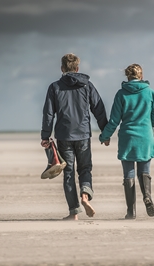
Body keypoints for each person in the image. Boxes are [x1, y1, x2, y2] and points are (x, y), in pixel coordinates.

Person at [41, 53, 108, 220]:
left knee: (68, 173)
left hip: (64, 136)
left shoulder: (54, 87)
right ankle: (85, 195)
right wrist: (105, 131)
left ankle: (74, 212)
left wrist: (45, 135)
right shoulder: (87, 86)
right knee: (85, 169)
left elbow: (48, 114)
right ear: (77, 69)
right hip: (83, 134)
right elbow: (98, 108)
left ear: (62, 69)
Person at [99, 63, 154, 219]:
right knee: (144, 171)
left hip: (127, 137)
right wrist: (147, 126)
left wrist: (105, 136)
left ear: (127, 77)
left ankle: (130, 212)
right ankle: (147, 195)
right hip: (145, 137)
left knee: (129, 174)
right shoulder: (150, 92)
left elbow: (114, 120)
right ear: (141, 76)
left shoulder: (121, 94)